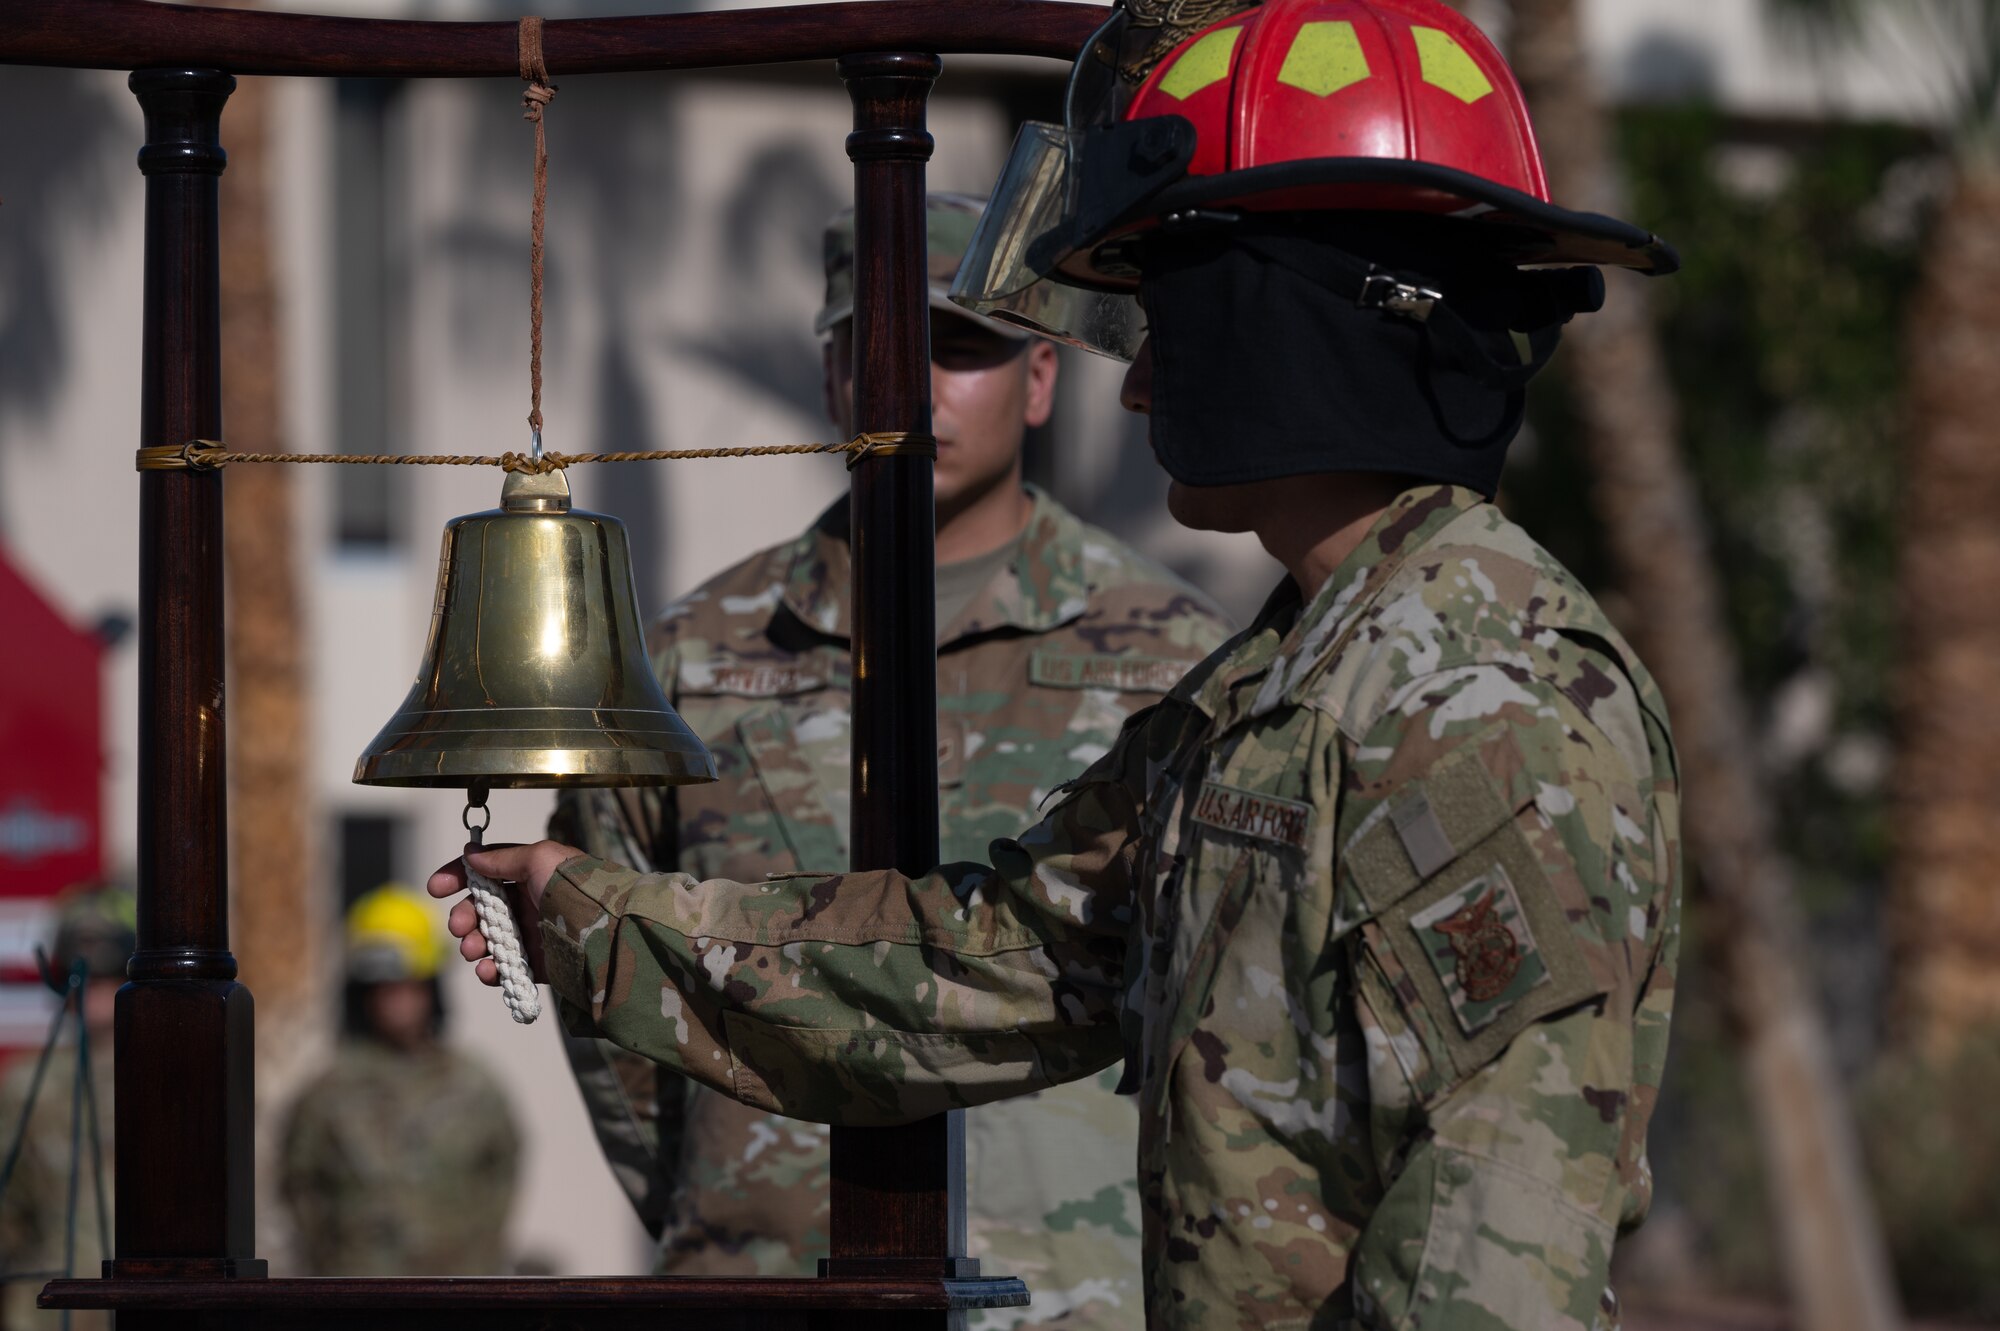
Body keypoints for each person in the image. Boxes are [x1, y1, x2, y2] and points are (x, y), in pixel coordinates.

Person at [433, 1, 1684, 1325]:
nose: (1137, 391)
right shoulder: (1270, 696)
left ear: (1287, 321)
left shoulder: (1475, 709)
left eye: (1168, 318)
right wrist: (590, 906)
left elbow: (1485, 1273)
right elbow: (978, 967)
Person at [549, 191, 1232, 1329]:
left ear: (1041, 379)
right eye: (877, 347)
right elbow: (605, 1012)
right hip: (768, 1288)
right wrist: (725, 1209)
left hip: (1080, 1289)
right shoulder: (689, 657)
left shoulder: (1172, 658)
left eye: (960, 348)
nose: (915, 385)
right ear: (828, 372)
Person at [278, 885, 521, 1276]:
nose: (397, 1001)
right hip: (358, 1300)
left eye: (409, 985)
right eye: (383, 989)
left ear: (431, 989)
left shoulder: (475, 1086)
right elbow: (299, 1189)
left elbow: (502, 1176)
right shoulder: (326, 1094)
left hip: (458, 1299)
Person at [0, 883, 131, 1331]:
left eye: (108, 968)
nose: (93, 983)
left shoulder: (187, 1081)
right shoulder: (25, 1086)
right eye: (80, 970)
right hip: (51, 1311)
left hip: (157, 1306)